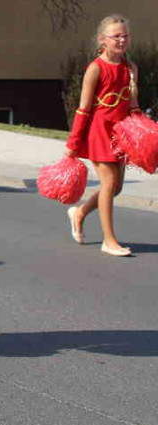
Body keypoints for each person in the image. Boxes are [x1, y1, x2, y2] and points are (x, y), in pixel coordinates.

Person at [65, 14, 139, 256]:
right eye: (116, 36)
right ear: (102, 40)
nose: (121, 40)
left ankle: (80, 213)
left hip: (122, 133)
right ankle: (109, 241)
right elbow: (83, 109)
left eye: (125, 35)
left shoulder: (131, 68)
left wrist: (142, 134)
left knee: (116, 187)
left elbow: (133, 106)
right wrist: (73, 143)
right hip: (99, 132)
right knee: (108, 183)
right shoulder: (95, 68)